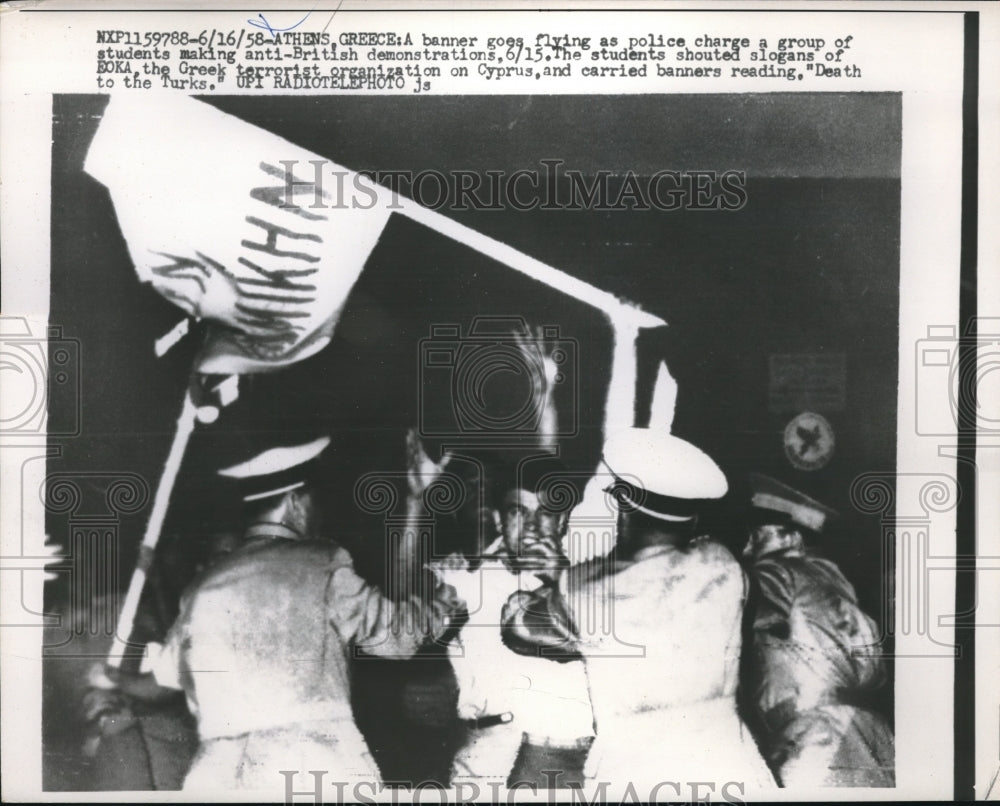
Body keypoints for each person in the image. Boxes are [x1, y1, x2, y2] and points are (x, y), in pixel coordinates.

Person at [90, 433, 464, 794]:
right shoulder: (322, 564)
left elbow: (160, 683)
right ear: (294, 501)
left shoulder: (202, 589)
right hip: (310, 764)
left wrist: (112, 678)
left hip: (218, 776)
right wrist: (443, 599)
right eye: (314, 500)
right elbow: (399, 639)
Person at [502, 427, 776, 798]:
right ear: (694, 516)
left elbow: (517, 627)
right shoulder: (723, 565)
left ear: (622, 503)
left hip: (639, 775)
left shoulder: (585, 588)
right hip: (729, 769)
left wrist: (557, 575)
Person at [443, 457, 594, 788]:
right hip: (490, 760)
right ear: (498, 519)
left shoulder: (593, 583)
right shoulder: (464, 578)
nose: (533, 527)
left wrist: (561, 578)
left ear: (563, 520)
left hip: (576, 764)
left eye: (546, 513)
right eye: (518, 512)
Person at [740, 474, 895, 787]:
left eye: (756, 535)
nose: (746, 547)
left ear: (790, 536)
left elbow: (731, 620)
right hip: (871, 733)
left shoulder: (774, 574)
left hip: (812, 740)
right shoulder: (835, 579)